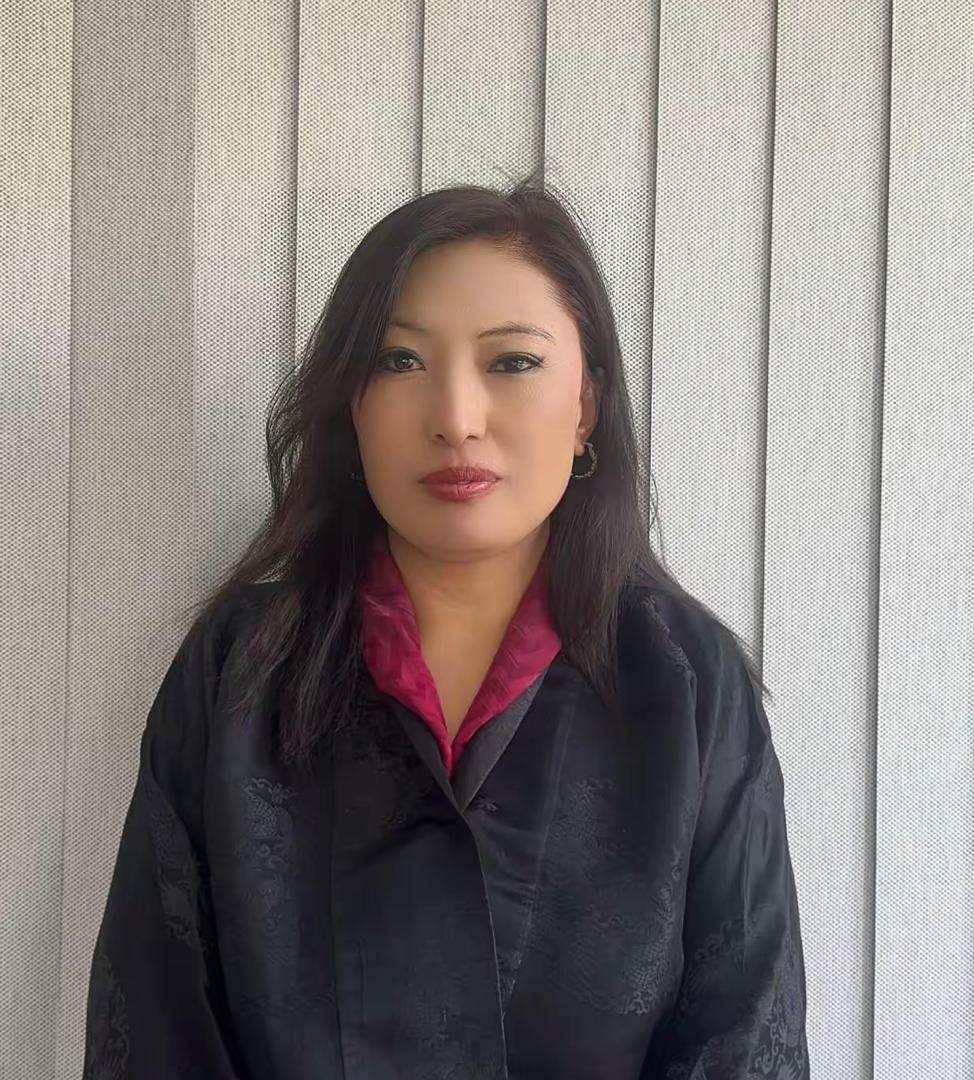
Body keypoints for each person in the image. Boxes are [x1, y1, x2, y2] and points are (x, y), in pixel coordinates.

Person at [82, 172, 810, 1079]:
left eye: (512, 362)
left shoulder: (687, 681)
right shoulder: (241, 668)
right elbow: (154, 1026)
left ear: (585, 405)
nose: (456, 419)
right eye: (399, 362)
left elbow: (746, 1033)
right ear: (352, 405)